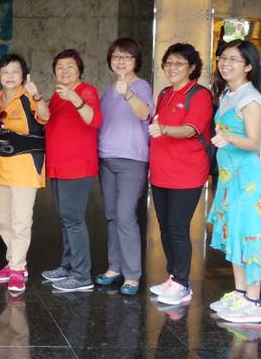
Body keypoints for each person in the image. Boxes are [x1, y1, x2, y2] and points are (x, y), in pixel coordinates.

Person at [208, 40, 261, 323]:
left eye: (234, 59)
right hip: (228, 178)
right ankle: (240, 292)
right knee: (233, 232)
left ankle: (255, 302)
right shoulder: (228, 94)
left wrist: (229, 137)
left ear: (248, 66)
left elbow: (253, 142)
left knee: (248, 234)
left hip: (246, 179)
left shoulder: (251, 99)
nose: (226, 63)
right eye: (223, 57)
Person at [148, 43, 213, 305]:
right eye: (168, 63)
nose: (172, 68)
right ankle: (174, 277)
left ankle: (183, 284)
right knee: (165, 227)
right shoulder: (165, 93)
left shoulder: (200, 95)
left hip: (187, 172)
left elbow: (190, 129)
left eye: (179, 63)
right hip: (161, 171)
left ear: (192, 67)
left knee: (177, 227)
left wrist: (164, 129)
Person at [95, 38, 153, 296]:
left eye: (127, 57)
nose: (121, 61)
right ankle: (114, 267)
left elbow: (144, 114)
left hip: (132, 160)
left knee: (125, 215)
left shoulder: (141, 86)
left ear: (135, 61)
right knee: (111, 215)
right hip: (106, 158)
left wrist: (127, 92)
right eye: (116, 56)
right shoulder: (109, 89)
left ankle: (132, 275)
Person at [41, 49, 102, 292]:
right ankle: (67, 266)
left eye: (70, 66)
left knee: (74, 220)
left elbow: (94, 120)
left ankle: (81, 275)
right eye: (60, 67)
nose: (64, 71)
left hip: (77, 165)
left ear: (79, 70)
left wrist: (75, 99)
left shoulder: (87, 91)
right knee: (66, 218)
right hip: (59, 165)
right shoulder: (58, 95)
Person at [0, 54, 48, 293]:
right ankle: (15, 262)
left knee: (21, 221)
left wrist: (38, 96)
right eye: (5, 72)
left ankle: (17, 269)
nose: (10, 76)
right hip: (2, 167)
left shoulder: (29, 96)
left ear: (23, 75)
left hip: (26, 166)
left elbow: (45, 117)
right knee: (3, 219)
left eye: (15, 72)